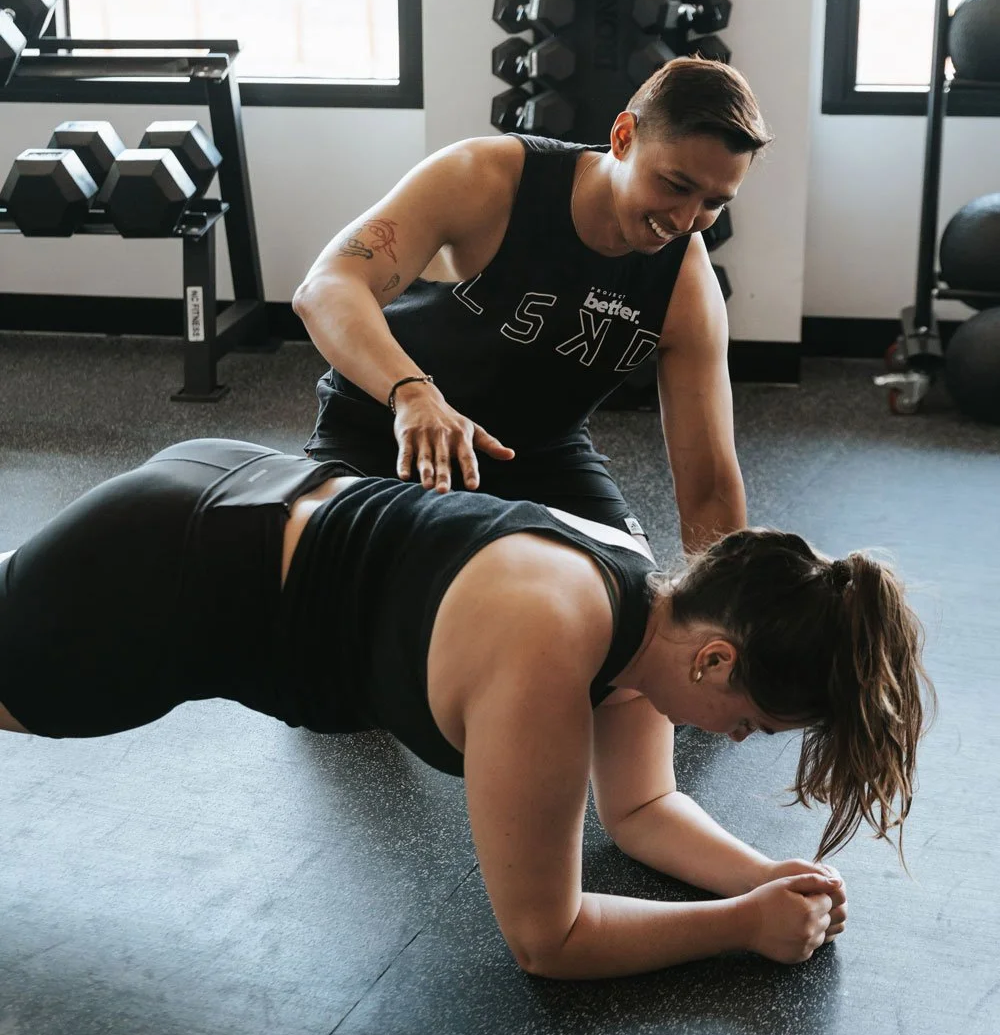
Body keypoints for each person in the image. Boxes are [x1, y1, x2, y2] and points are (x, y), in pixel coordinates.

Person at [0, 439, 932, 981]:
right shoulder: (547, 645)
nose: (731, 739)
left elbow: (642, 811)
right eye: (750, 722)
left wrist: (760, 878)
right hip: (167, 571)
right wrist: (738, 929)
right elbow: (547, 937)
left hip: (238, 488)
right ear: (719, 657)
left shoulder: (651, 616)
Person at [293, 57, 771, 553]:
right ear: (624, 137)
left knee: (628, 589)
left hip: (541, 456)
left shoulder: (685, 284)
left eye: (715, 202)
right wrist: (413, 394)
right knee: (353, 578)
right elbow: (327, 286)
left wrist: (725, 613)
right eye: (676, 185)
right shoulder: (487, 178)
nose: (685, 218)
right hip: (388, 431)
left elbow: (710, 487)